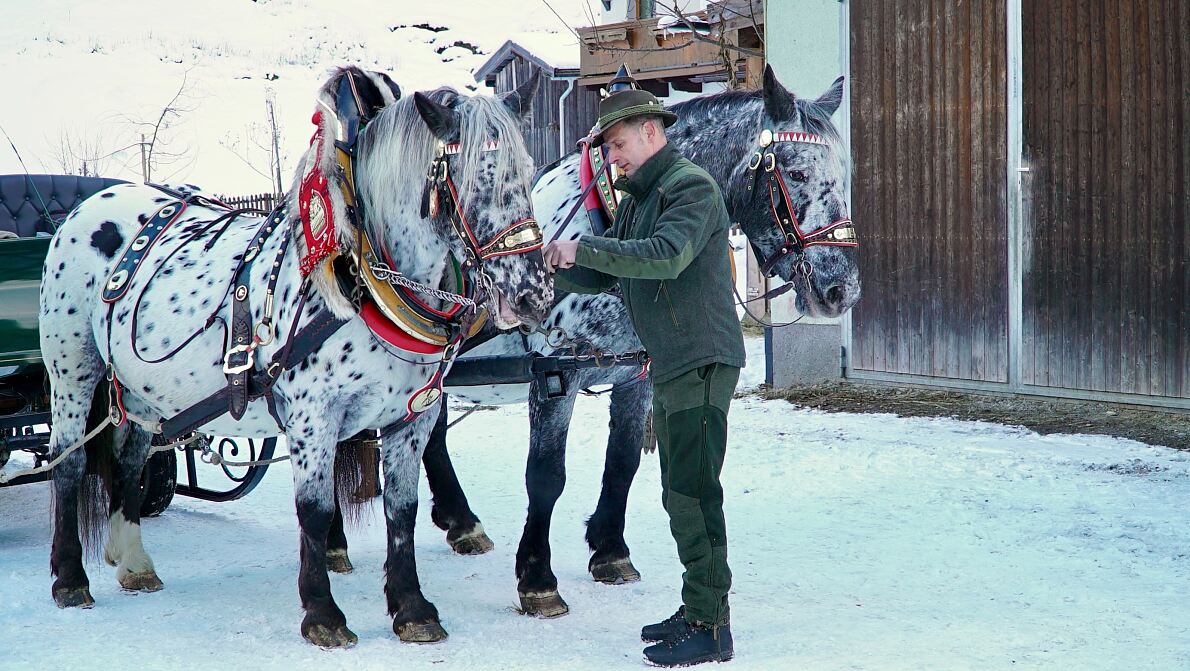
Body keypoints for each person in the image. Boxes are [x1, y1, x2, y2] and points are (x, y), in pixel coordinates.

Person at [543, 67, 745, 667]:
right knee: (681, 492)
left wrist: (584, 247)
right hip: (677, 364)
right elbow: (609, 272)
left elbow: (665, 256)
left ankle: (711, 626)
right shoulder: (639, 201)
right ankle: (698, 607)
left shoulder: (691, 189)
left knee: (692, 494)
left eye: (619, 144)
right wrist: (551, 269)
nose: (613, 158)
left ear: (652, 132)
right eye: (606, 149)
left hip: (700, 361)